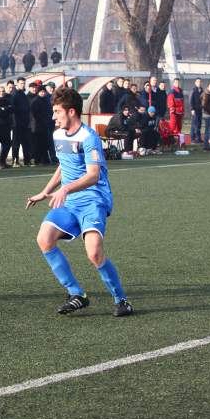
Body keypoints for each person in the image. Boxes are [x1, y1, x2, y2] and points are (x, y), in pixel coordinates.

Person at [25, 87, 133, 317]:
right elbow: (63, 166)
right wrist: (45, 192)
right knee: (44, 238)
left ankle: (121, 300)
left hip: (93, 200)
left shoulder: (89, 137)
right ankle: (76, 294)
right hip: (69, 201)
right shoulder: (58, 135)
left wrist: (65, 189)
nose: (53, 117)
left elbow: (93, 175)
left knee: (94, 254)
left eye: (57, 111)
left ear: (71, 111)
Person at [30, 85, 53, 165]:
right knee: (37, 143)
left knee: (44, 143)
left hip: (44, 125)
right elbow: (34, 114)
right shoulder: (35, 101)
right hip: (37, 126)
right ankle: (37, 159)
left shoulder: (46, 100)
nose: (43, 93)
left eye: (44, 92)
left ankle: (44, 159)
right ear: (38, 92)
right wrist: (42, 120)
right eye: (41, 92)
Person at [11, 77, 31, 167]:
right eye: (21, 83)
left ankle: (27, 160)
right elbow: (13, 109)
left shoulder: (23, 94)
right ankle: (15, 160)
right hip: (17, 123)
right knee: (16, 143)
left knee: (25, 142)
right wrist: (15, 122)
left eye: (24, 83)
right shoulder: (14, 94)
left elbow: (26, 108)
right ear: (17, 84)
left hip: (24, 122)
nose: (23, 85)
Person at [0, 83, 13, 169]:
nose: (2, 93)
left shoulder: (7, 100)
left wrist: (4, 109)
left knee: (7, 144)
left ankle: (2, 161)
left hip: (6, 126)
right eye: (0, 91)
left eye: (3, 91)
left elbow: (11, 110)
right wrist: (6, 109)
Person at [190, 78, 203, 144]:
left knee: (196, 125)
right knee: (196, 125)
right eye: (197, 82)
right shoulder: (193, 90)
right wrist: (192, 109)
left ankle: (193, 139)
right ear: (195, 83)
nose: (199, 83)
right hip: (195, 110)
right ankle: (198, 139)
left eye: (200, 82)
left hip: (200, 110)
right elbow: (191, 100)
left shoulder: (202, 90)